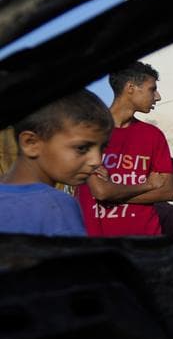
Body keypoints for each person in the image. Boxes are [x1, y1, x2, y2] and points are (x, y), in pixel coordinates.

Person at [76, 61, 173, 236]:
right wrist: (148, 185)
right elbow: (101, 191)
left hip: (146, 241)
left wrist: (114, 190)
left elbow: (169, 191)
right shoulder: (89, 131)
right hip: (98, 241)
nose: (158, 96)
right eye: (152, 89)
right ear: (130, 88)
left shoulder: (153, 135)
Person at [0, 90, 112, 237]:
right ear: (31, 143)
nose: (97, 161)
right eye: (82, 148)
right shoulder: (57, 206)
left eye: (103, 148)